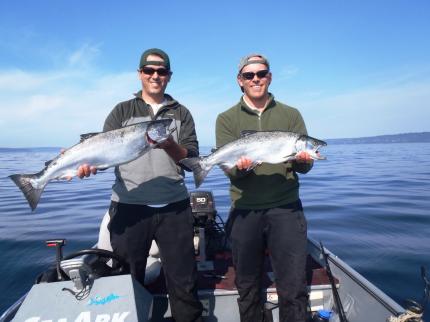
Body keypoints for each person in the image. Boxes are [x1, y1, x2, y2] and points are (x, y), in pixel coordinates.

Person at [77, 48, 203, 322]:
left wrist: (169, 144)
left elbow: (191, 159)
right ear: (140, 74)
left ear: (169, 76)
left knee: (184, 281)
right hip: (129, 207)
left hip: (174, 207)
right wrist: (88, 165)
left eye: (161, 71)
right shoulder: (122, 110)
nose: (155, 75)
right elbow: (104, 153)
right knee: (125, 282)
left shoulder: (181, 113)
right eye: (149, 70)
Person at [216, 54, 314, 322]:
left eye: (261, 73)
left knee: (293, 286)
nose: (256, 79)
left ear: (269, 77)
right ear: (240, 81)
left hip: (286, 210)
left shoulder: (291, 114)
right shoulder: (226, 119)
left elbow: (303, 168)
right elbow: (233, 174)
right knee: (247, 286)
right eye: (249, 75)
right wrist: (243, 166)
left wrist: (305, 160)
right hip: (245, 211)